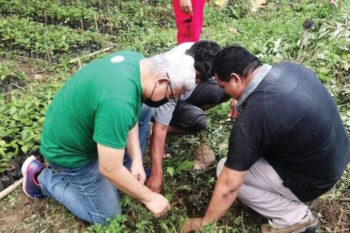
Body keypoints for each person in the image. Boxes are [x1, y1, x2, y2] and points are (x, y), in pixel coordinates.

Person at [21, 46, 197, 225]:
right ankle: (40, 177)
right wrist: (150, 198)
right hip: (69, 153)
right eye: (170, 95)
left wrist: (136, 158)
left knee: (146, 108)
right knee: (108, 217)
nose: (167, 100)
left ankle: (125, 171)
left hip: (78, 127)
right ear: (161, 80)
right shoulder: (118, 103)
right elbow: (109, 168)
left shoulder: (139, 63)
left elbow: (132, 112)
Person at [184, 45, 350, 233]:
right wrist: (243, 99)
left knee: (224, 168)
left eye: (224, 87)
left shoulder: (254, 116)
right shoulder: (289, 68)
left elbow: (230, 185)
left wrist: (205, 224)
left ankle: (296, 218)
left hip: (314, 180)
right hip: (337, 156)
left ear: (236, 79)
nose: (226, 93)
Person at [146, 40, 229, 193]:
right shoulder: (172, 77)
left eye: (203, 79)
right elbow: (161, 128)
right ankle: (160, 121)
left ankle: (182, 113)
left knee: (225, 90)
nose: (197, 81)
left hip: (182, 95)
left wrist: (238, 99)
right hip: (165, 97)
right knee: (196, 119)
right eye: (197, 76)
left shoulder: (198, 51)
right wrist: (156, 174)